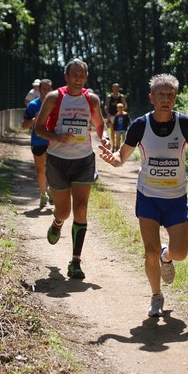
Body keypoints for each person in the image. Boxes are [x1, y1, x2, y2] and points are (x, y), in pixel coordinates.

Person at [99, 73, 188, 317]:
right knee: (148, 250)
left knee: (180, 252)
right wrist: (112, 159)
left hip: (175, 197)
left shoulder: (184, 124)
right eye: (161, 94)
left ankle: (166, 256)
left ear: (175, 98)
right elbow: (122, 157)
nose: (166, 98)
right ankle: (156, 297)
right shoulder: (140, 125)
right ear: (152, 97)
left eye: (170, 95)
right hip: (148, 195)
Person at [35, 59, 109, 280]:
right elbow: (39, 128)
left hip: (83, 160)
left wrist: (103, 138)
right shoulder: (54, 98)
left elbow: (99, 124)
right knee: (64, 211)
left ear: (86, 77)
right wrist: (55, 137)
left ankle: (75, 261)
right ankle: (58, 222)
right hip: (57, 160)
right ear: (66, 76)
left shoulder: (92, 99)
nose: (78, 77)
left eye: (82, 74)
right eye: (74, 74)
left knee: (81, 207)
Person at [22, 78, 53, 208]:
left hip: (53, 141)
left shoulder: (56, 104)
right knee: (41, 169)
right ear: (39, 90)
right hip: (38, 140)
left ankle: (52, 191)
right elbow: (24, 126)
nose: (46, 91)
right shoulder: (33, 105)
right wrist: (35, 119)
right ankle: (42, 194)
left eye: (48, 89)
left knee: (53, 170)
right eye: (43, 89)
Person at [104, 83, 127, 151]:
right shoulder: (109, 97)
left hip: (119, 117)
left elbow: (125, 105)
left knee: (119, 131)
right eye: (114, 88)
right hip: (112, 116)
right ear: (112, 88)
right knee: (112, 132)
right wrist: (108, 114)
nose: (116, 89)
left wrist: (122, 111)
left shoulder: (121, 96)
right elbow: (106, 106)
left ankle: (118, 147)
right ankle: (113, 145)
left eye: (117, 88)